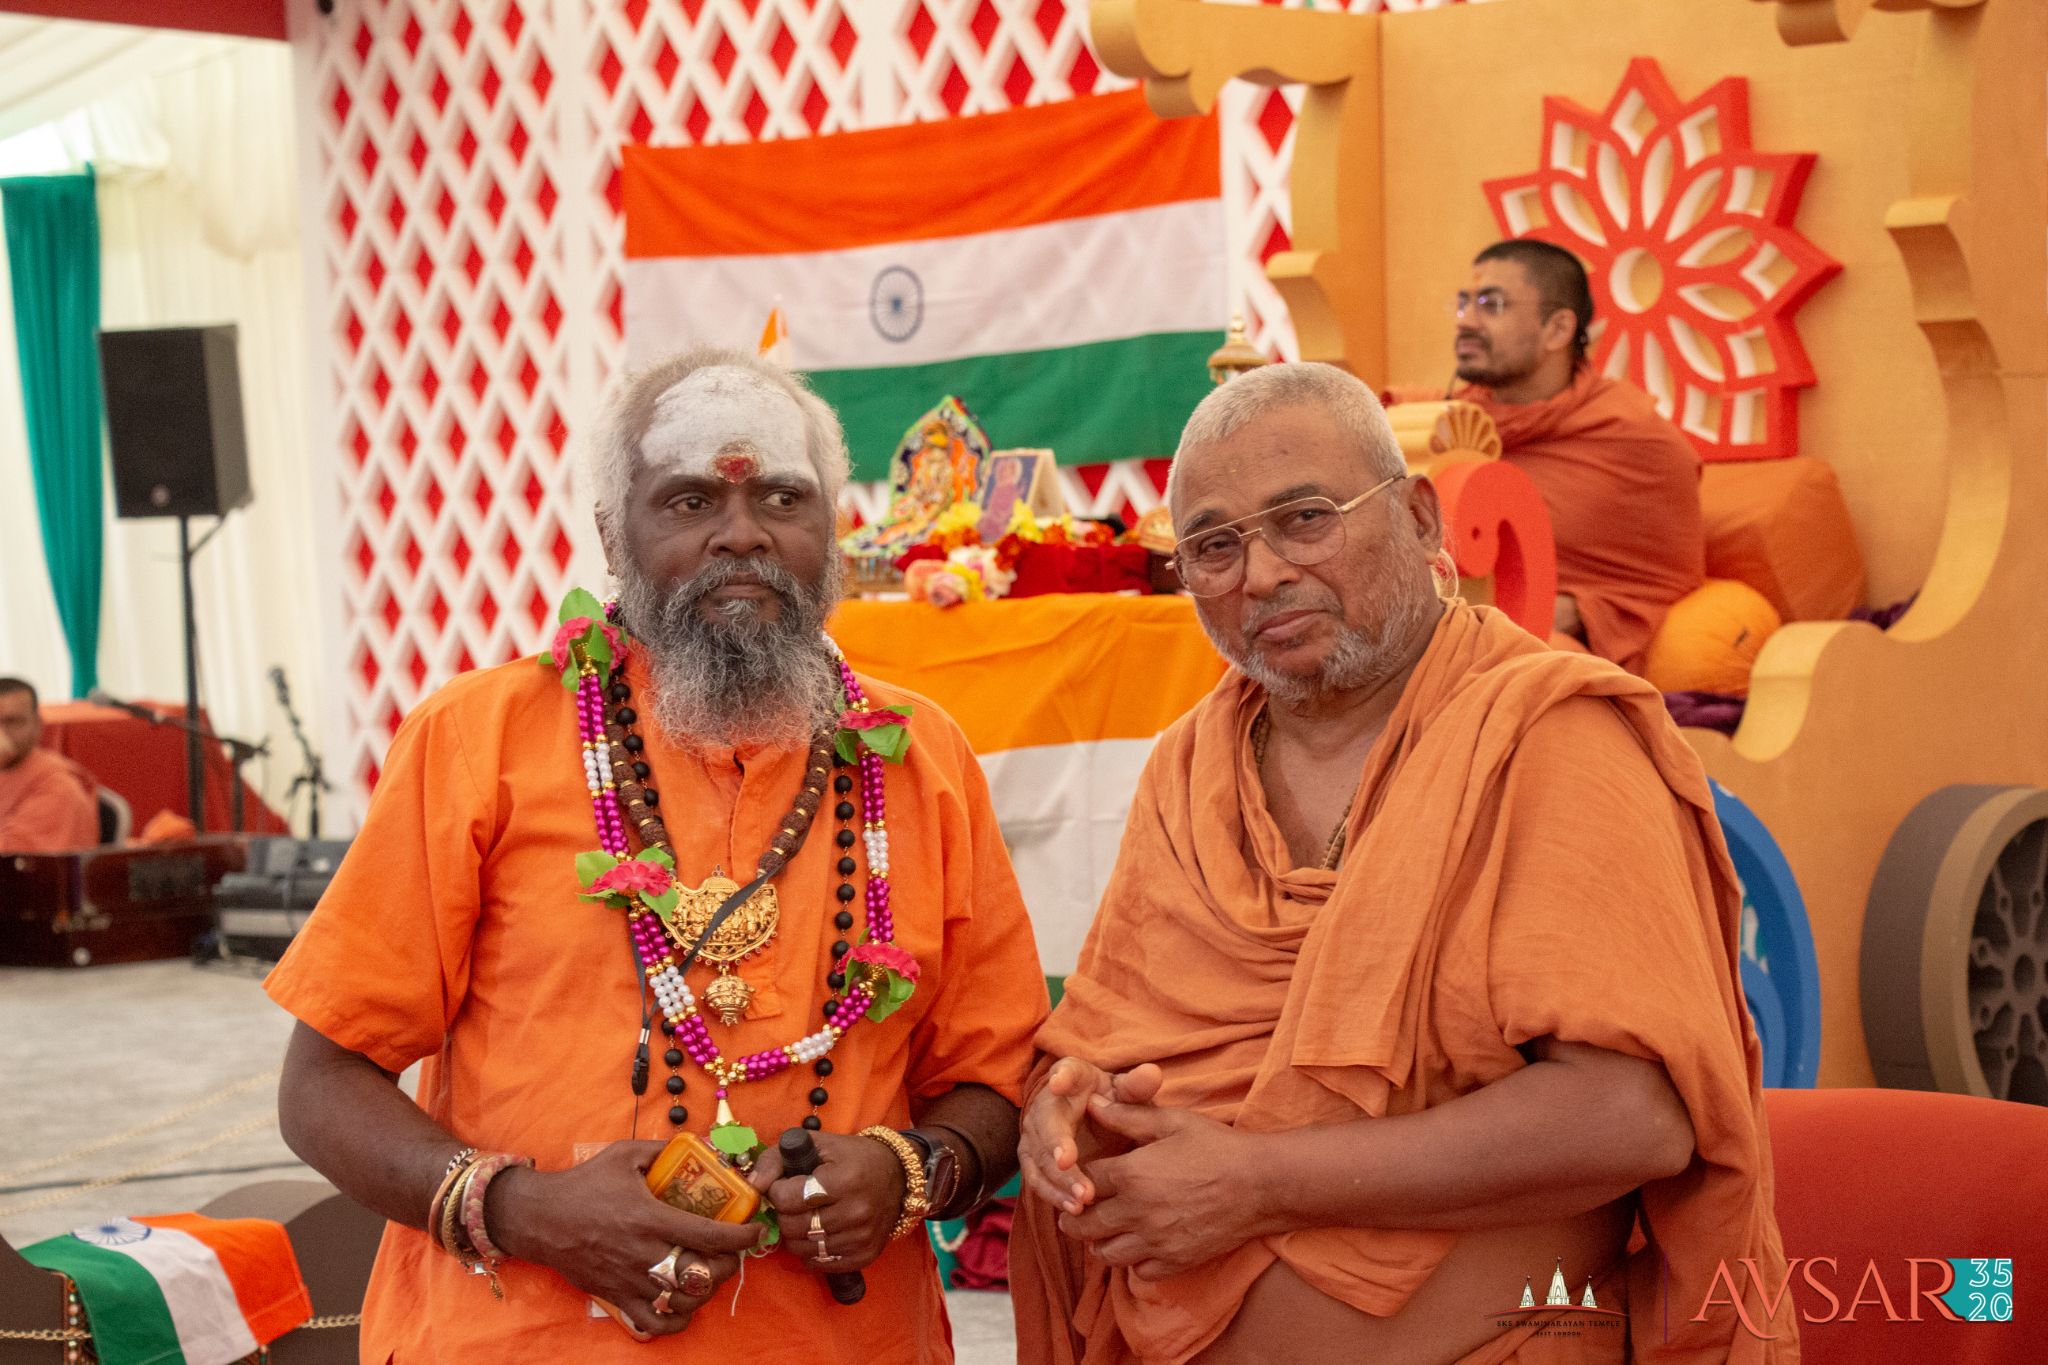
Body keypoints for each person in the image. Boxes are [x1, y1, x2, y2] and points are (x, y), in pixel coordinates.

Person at [266, 347, 1047, 1357]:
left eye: (782, 498)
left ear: (833, 528)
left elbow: (997, 1082)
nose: (742, 534)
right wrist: (525, 1210)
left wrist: (911, 1173)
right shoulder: (477, 739)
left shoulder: (919, 756)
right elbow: (322, 1083)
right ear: (611, 532)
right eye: (689, 501)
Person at [1010, 363, 1793, 1363]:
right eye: (1213, 546)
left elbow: (1631, 1117)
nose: (1261, 575)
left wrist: (1256, 1184)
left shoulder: (1549, 735)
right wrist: (1065, 1115)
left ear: (1420, 518)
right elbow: (1111, 1037)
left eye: (1304, 520)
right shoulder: (1189, 767)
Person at [1445, 239, 1705, 670]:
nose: (1467, 321)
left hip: (1540, 651)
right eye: (1463, 303)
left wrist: (1577, 608)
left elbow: (1664, 579)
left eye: (1492, 305)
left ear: (1558, 329)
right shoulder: (1445, 424)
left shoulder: (1633, 438)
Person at [0, 676, 99, 853]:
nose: (2, 734)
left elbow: (16, 859)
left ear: (37, 725)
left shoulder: (56, 786)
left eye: (13, 722)